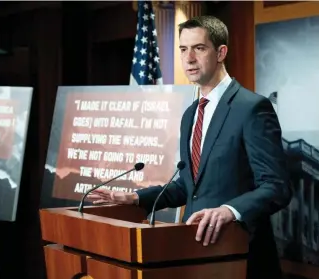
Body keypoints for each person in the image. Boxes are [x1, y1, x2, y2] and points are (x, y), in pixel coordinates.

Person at [87, 15, 293, 279]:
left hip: (241, 257)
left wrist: (229, 210)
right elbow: (189, 186)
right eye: (183, 49)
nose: (189, 58)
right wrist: (136, 198)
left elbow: (276, 187)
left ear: (221, 52)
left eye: (199, 48)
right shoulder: (190, 114)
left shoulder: (251, 108)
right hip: (193, 256)